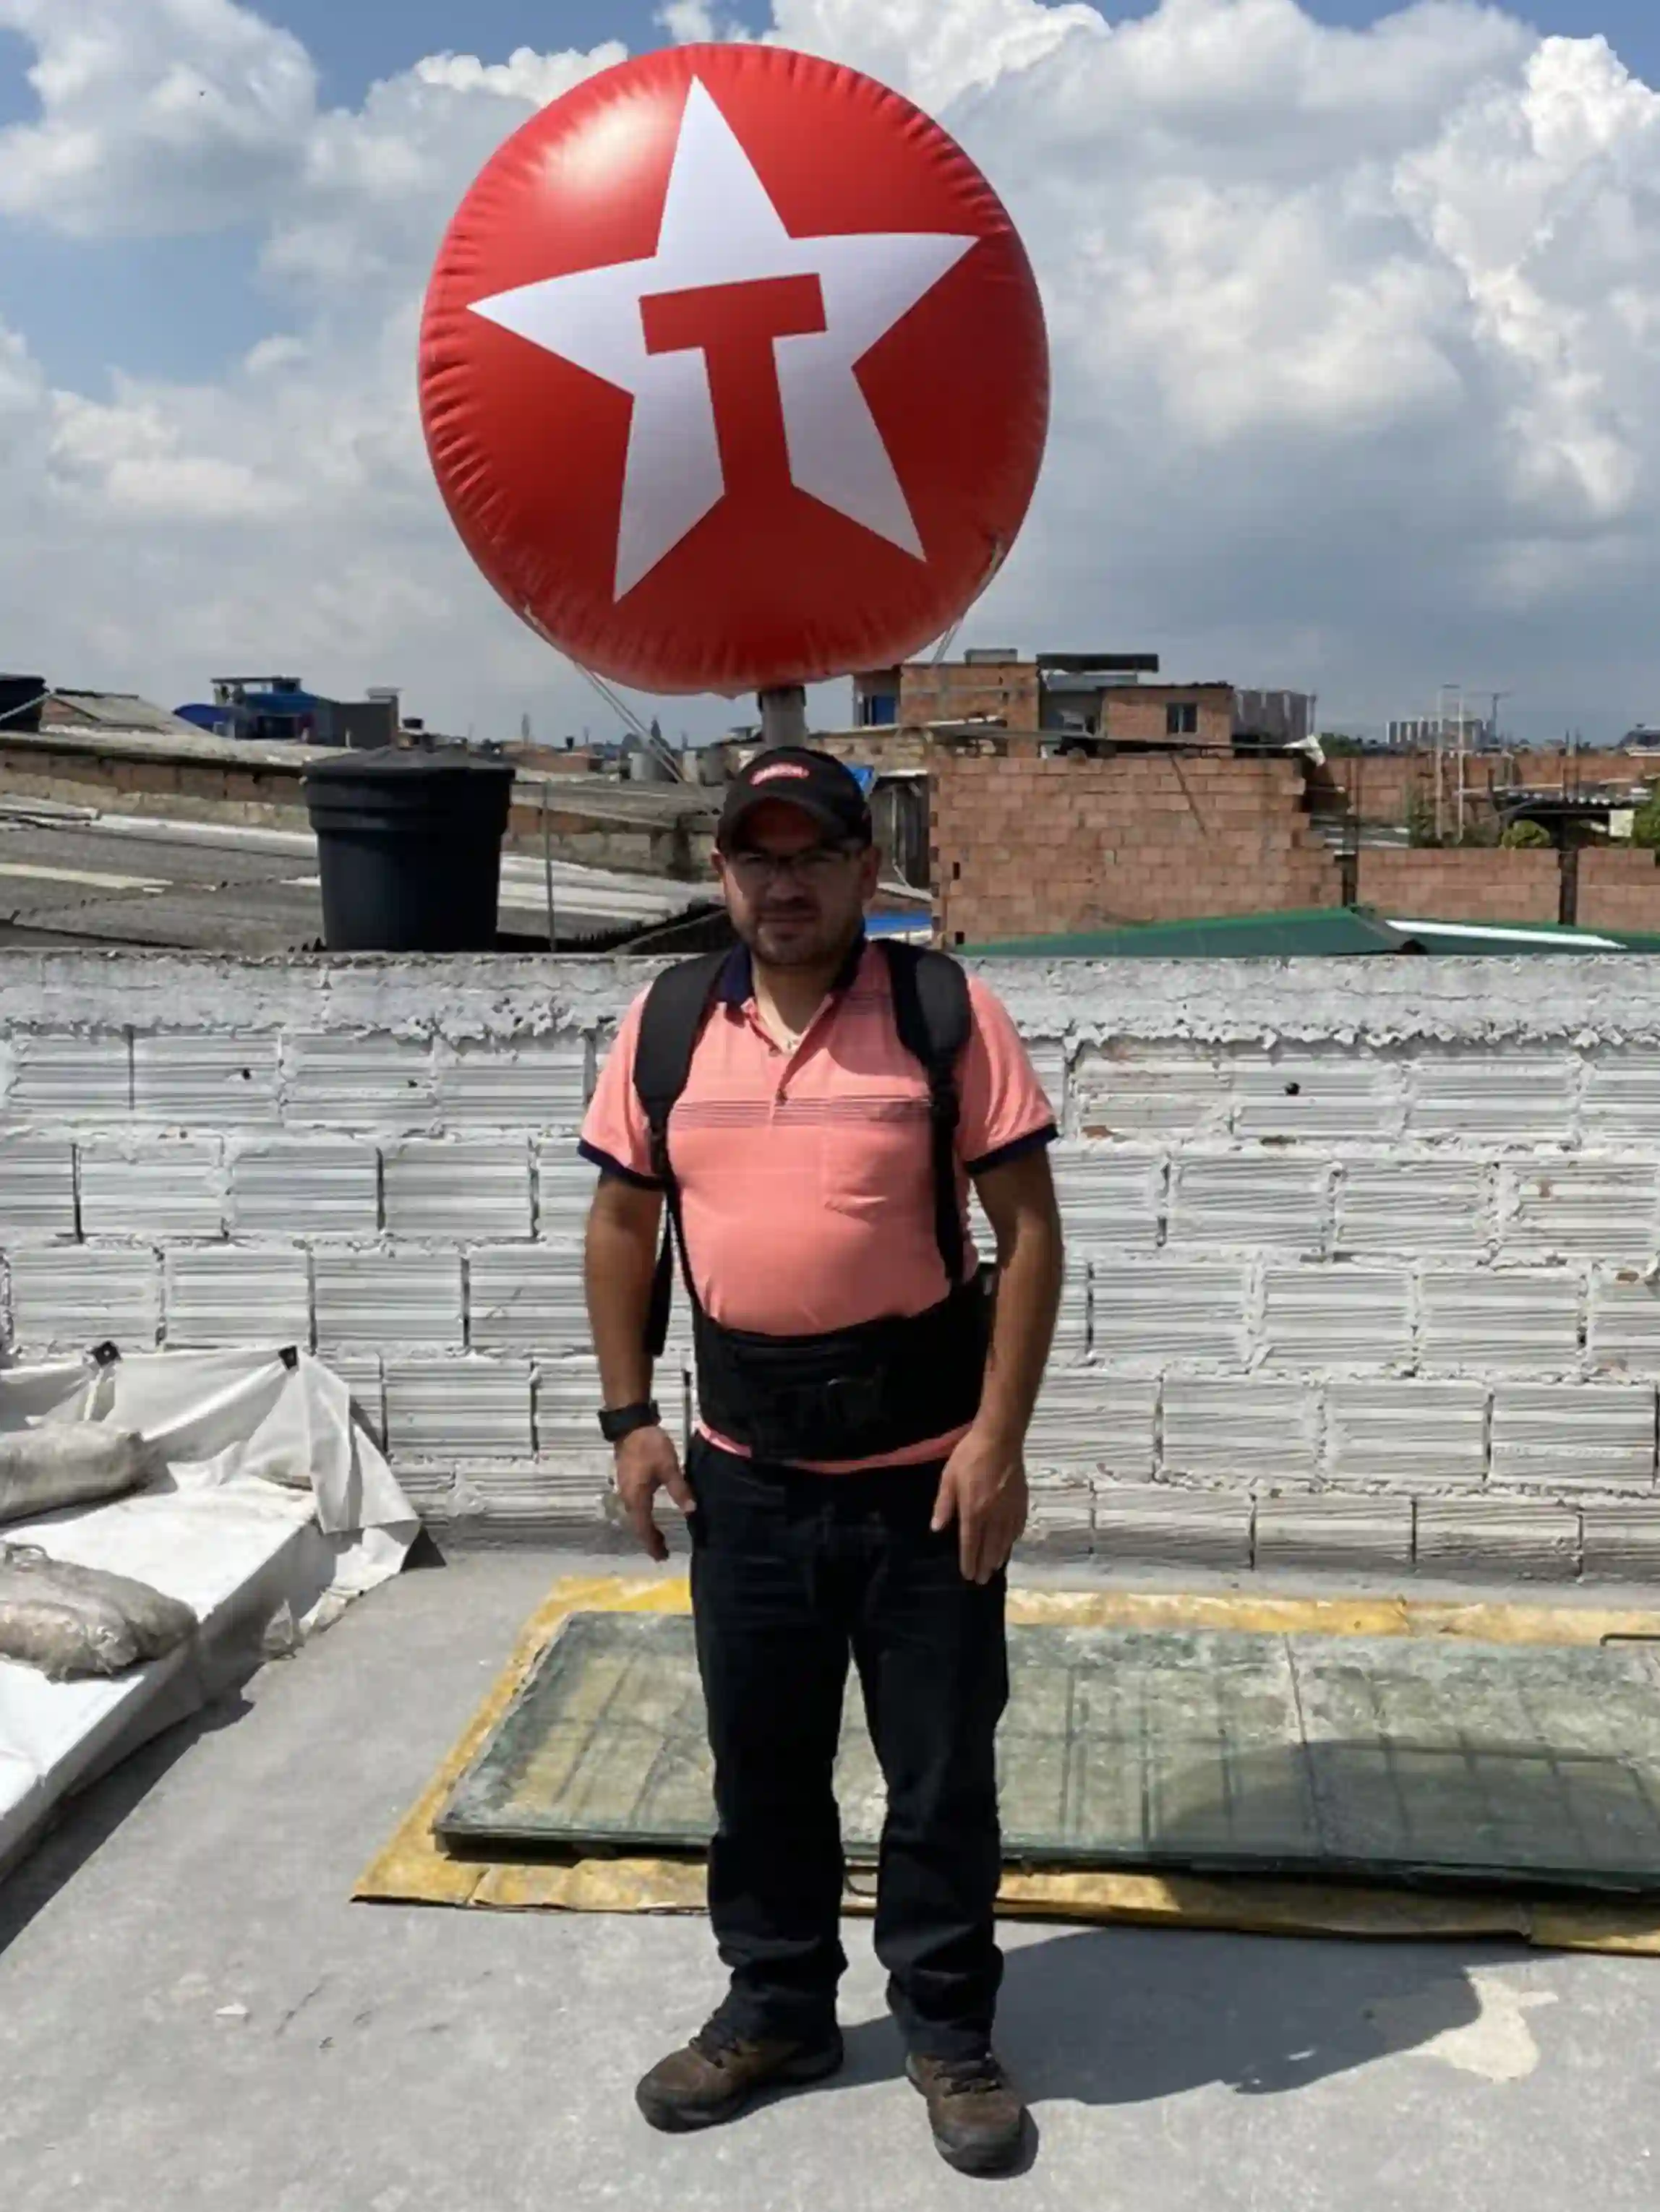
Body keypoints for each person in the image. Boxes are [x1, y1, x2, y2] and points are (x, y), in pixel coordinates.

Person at [579, 746, 1064, 2176]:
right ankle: (778, 2008)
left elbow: (1027, 1235)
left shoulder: (939, 1013)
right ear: (721, 873)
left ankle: (947, 2029)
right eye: (754, 857)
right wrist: (629, 1422)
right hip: (747, 1476)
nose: (781, 883)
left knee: (935, 1770)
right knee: (763, 1768)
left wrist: (998, 1439)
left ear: (866, 870)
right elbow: (624, 1230)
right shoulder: (667, 1024)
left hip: (925, 1479)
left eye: (811, 856)